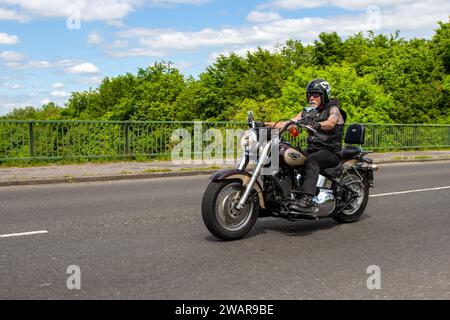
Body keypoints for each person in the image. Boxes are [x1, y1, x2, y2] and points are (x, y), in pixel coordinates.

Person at [260, 79, 347, 213]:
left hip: (330, 151)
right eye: (309, 94)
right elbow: (289, 123)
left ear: (324, 95)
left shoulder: (334, 109)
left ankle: (307, 199)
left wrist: (318, 124)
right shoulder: (308, 111)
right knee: (288, 156)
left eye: (316, 94)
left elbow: (331, 123)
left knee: (312, 161)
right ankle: (284, 197)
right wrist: (264, 124)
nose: (311, 97)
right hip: (313, 149)